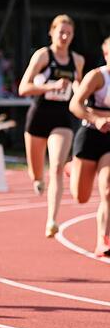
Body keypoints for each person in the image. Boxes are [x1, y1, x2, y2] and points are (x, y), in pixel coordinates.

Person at [19, 14, 84, 237]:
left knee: (56, 166)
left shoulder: (77, 60)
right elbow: (23, 88)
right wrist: (50, 86)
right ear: (52, 32)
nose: (64, 36)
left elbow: (79, 90)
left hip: (62, 119)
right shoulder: (42, 56)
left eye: (69, 33)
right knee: (36, 173)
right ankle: (37, 180)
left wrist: (78, 93)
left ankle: (52, 220)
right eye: (61, 32)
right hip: (38, 117)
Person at [68, 36, 110, 257]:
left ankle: (103, 240)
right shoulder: (97, 76)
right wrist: (96, 120)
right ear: (106, 55)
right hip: (90, 135)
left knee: (108, 189)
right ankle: (72, 168)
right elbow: (75, 104)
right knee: (81, 197)